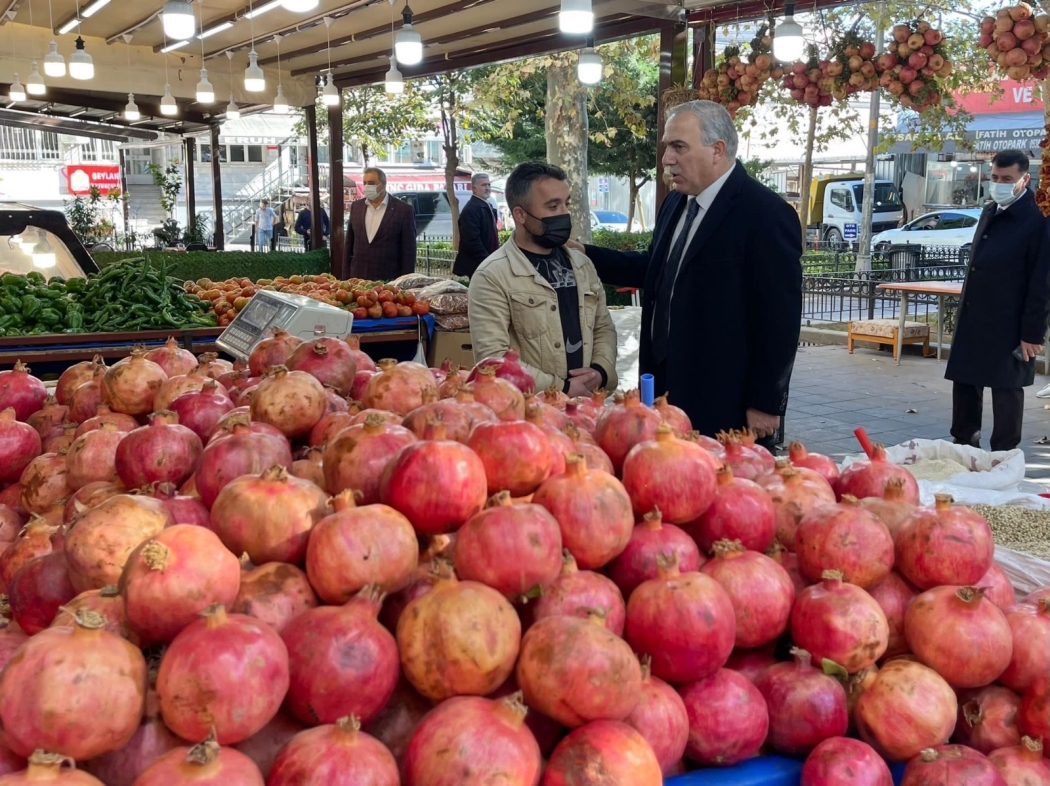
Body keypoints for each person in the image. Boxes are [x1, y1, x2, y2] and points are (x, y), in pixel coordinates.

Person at [577, 99, 802, 445]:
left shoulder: (766, 214)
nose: (667, 159)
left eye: (679, 147)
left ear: (718, 149)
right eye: (668, 146)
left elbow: (779, 319)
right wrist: (584, 254)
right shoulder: (675, 203)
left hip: (725, 403)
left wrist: (766, 402)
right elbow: (654, 269)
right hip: (663, 389)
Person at [468, 161, 618, 395]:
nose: (565, 214)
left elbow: (603, 327)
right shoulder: (492, 276)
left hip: (586, 407)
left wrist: (599, 372)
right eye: (552, 206)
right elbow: (493, 357)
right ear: (520, 215)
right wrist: (562, 388)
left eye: (566, 204)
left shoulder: (582, 265)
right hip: (530, 415)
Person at [946, 149, 1050, 451]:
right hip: (975, 313)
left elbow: (1042, 279)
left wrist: (1032, 332)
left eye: (1007, 179)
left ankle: (1004, 453)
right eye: (994, 177)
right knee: (965, 380)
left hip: (1011, 318)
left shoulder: (1038, 218)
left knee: (1007, 387)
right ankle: (963, 442)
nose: (998, 183)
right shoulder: (991, 210)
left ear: (1024, 179)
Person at [345, 167, 417, 280]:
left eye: (371, 183)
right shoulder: (356, 207)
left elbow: (409, 252)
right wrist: (345, 278)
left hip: (388, 280)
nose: (367, 186)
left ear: (383, 184)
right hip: (358, 278)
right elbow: (349, 244)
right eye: (365, 183)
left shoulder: (403, 210)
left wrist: (404, 283)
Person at [453, 172, 500, 278]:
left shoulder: (486, 206)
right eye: (483, 185)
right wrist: (486, 260)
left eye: (489, 185)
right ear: (474, 188)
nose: (487, 188)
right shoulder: (472, 209)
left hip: (486, 263)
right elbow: (471, 240)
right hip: (477, 266)